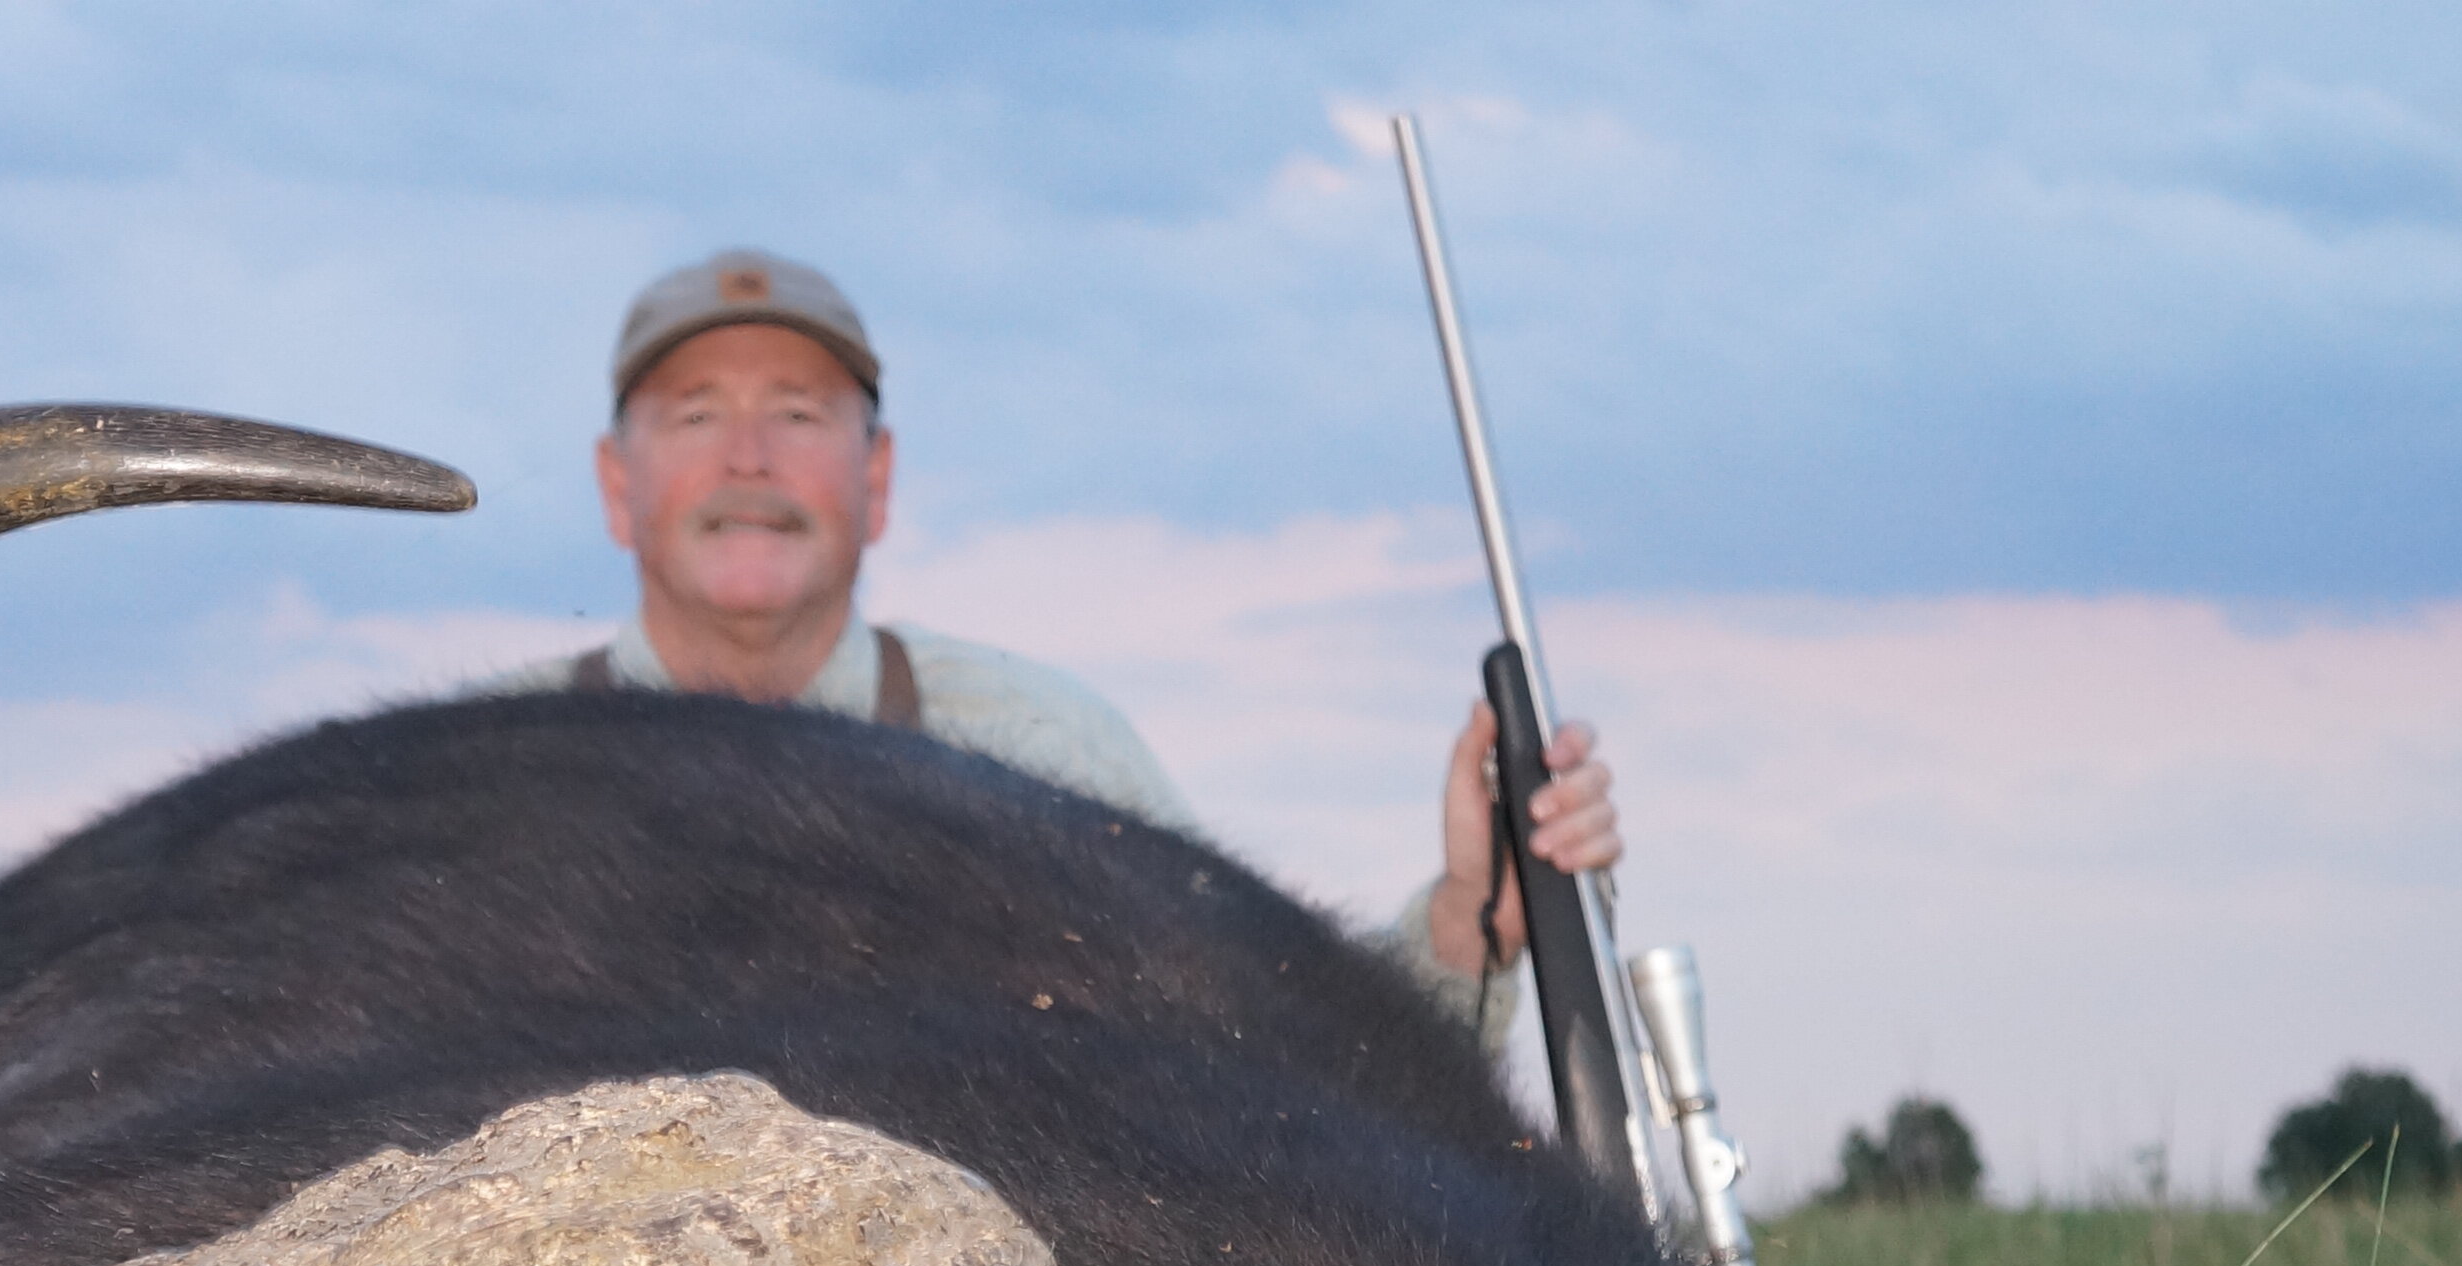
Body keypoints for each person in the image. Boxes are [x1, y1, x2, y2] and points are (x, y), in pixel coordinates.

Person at [493, 246, 1620, 1045]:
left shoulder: (1042, 747)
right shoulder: (480, 777)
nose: (748, 457)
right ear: (612, 484)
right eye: (694, 414)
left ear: (875, 483)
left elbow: (1276, 1061)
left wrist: (1467, 926)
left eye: (797, 412)